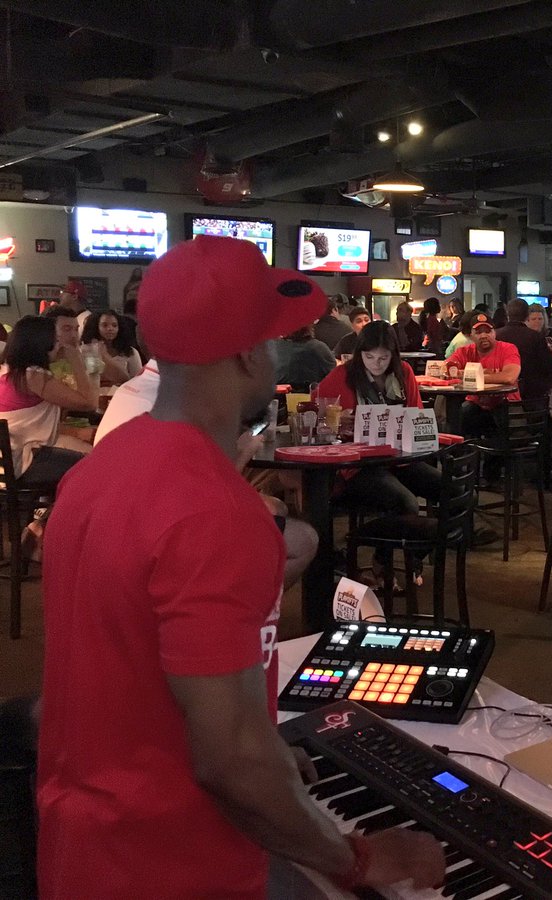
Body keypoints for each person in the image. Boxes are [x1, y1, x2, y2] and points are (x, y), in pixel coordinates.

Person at [37, 235, 446, 899]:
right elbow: (230, 765)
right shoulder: (217, 514)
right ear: (247, 354)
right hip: (175, 866)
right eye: (274, 339)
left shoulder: (97, 473)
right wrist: (364, 858)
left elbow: (122, 671)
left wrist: (259, 743)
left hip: (82, 852)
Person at [94, 358, 318, 590]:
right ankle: (244, 617)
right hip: (161, 531)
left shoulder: (130, 389)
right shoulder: (182, 404)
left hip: (110, 519)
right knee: (304, 540)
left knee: (275, 507)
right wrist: (245, 451)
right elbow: (210, 494)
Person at [314, 321, 442, 518]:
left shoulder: (404, 371)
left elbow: (416, 414)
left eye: (384, 357)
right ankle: (386, 547)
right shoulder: (343, 374)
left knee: (453, 488)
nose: (377, 363)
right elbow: (314, 410)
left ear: (393, 355)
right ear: (360, 354)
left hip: (399, 458)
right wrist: (337, 419)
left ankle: (443, 542)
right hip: (358, 465)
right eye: (369, 356)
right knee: (406, 503)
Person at [0, 315, 95, 482]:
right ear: (41, 344)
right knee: (97, 466)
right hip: (24, 463)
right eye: (56, 341)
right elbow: (89, 403)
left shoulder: (8, 371)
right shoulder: (33, 376)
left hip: (7, 463)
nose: (59, 346)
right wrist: (77, 361)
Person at [445, 312, 521, 440]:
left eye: (488, 331)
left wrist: (472, 374)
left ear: (494, 333)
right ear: (471, 336)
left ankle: (500, 455)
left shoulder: (508, 348)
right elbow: (448, 370)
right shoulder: (465, 351)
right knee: (460, 416)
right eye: (478, 332)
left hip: (506, 403)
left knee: (508, 432)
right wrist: (486, 373)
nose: (484, 336)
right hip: (477, 404)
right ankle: (462, 453)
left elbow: (509, 377)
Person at [495, 298, 552, 400]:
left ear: (507, 314)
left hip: (500, 392)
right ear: (526, 316)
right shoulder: (535, 337)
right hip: (532, 395)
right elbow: (551, 367)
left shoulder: (495, 335)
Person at [81, 309, 144, 385]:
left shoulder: (130, 352)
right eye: (105, 325)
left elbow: (137, 381)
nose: (110, 329)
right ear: (96, 327)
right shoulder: (85, 350)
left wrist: (104, 355)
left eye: (114, 325)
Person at [271, 323, 335, 387]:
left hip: (277, 395)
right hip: (310, 395)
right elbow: (334, 376)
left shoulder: (272, 348)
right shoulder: (318, 348)